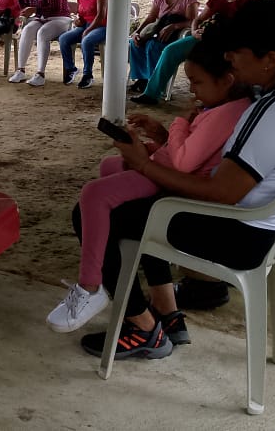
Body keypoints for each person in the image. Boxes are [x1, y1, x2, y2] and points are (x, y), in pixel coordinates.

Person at [72, 0, 275, 359]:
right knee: (136, 202)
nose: (229, 57)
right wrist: (163, 149)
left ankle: (143, 328)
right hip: (264, 225)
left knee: (97, 212)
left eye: (237, 51)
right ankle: (167, 312)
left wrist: (144, 164)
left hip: (239, 233)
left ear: (270, 59)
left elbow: (220, 192)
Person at [47, 38, 251, 333]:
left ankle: (91, 286)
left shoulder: (226, 112)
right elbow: (197, 153)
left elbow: (184, 163)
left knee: (94, 196)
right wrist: (161, 139)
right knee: (110, 167)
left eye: (197, 82)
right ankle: (161, 303)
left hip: (178, 184)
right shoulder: (220, 106)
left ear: (227, 80)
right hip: (173, 172)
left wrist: (179, 124)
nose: (192, 89)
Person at [131, 0, 258, 106]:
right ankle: (151, 94)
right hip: (205, 37)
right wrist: (194, 31)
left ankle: (214, 98)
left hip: (230, 42)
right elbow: (198, 19)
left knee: (209, 60)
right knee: (170, 50)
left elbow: (251, 27)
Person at [127, 0, 198, 94]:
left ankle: (156, 84)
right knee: (135, 43)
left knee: (152, 46)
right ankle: (143, 79)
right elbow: (151, 18)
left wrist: (174, 26)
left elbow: (192, 21)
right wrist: (137, 32)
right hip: (159, 33)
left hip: (176, 36)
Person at [8, 0, 72, 87]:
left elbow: (56, 7)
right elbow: (27, 8)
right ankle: (20, 70)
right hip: (43, 18)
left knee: (42, 33)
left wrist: (35, 10)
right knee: (27, 29)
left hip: (61, 18)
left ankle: (40, 74)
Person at [58, 0, 108, 89]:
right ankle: (71, 69)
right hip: (86, 26)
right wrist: (78, 21)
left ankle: (87, 75)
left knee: (87, 40)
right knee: (63, 38)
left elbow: (101, 16)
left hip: (101, 26)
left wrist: (88, 30)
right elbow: (82, 14)